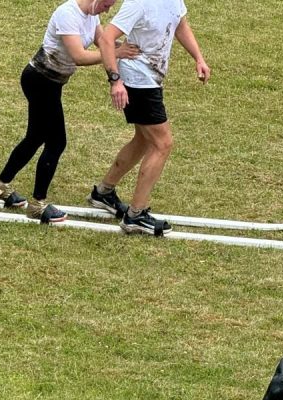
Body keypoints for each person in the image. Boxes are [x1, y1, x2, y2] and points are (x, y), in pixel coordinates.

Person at [0, 0, 139, 223]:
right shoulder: (67, 14)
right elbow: (79, 56)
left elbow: (102, 41)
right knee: (57, 143)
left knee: (35, 137)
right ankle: (38, 204)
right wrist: (116, 53)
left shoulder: (92, 15)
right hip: (39, 80)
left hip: (52, 83)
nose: (107, 10)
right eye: (106, 5)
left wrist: (124, 47)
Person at [86, 0, 211, 236]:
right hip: (137, 81)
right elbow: (106, 39)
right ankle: (135, 215)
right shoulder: (139, 3)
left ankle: (103, 193)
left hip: (150, 78)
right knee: (162, 144)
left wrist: (198, 58)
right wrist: (115, 81)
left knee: (143, 140)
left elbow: (180, 24)